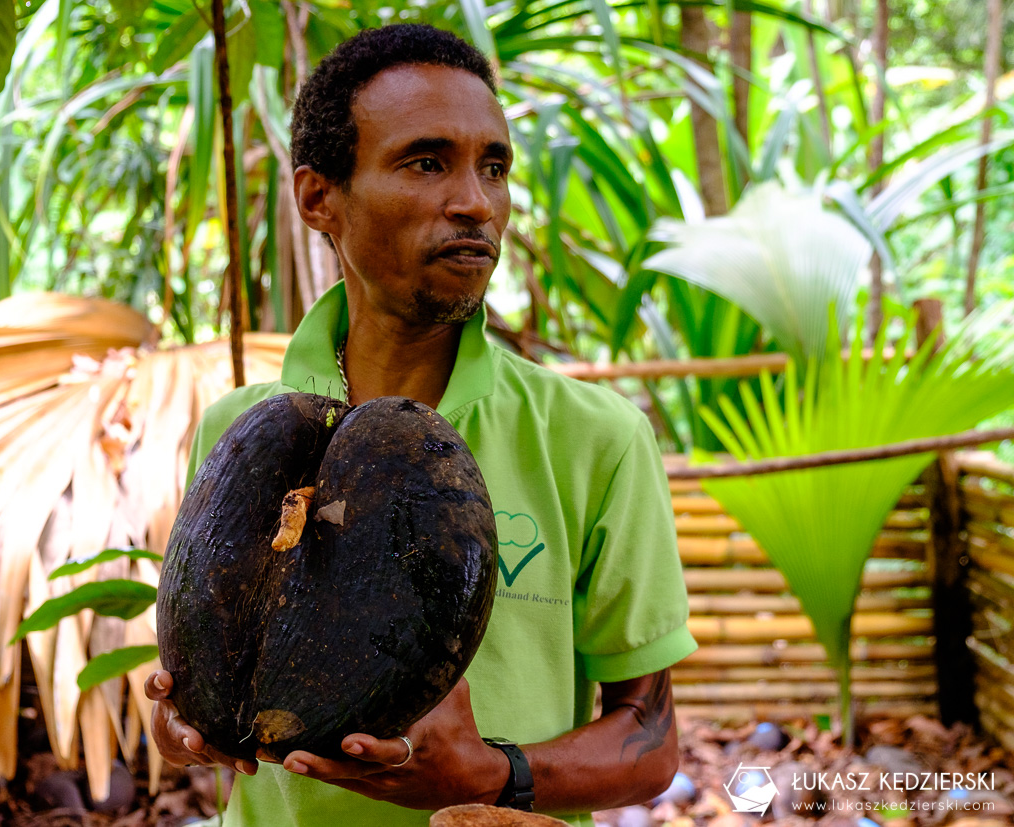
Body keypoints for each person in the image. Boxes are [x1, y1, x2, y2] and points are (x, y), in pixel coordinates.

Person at [144, 23, 696, 827]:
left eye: (494, 167)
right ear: (318, 196)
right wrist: (182, 723)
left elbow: (654, 743)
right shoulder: (242, 429)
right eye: (427, 162)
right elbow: (205, 686)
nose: (475, 202)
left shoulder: (594, 436)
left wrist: (492, 773)